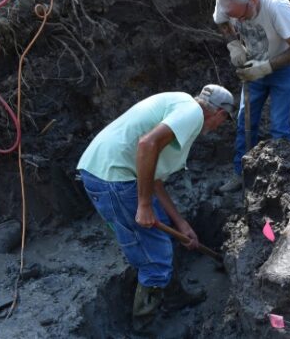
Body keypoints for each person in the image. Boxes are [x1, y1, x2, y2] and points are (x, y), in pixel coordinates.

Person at [77, 85, 235, 331]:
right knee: (155, 257)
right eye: (222, 121)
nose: (218, 126)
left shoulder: (179, 106)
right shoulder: (192, 113)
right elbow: (146, 145)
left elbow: (153, 175)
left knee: (160, 238)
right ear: (219, 114)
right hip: (114, 180)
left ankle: (174, 298)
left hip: (110, 172)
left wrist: (181, 223)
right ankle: (143, 326)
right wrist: (143, 205)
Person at [212, 0, 290, 192]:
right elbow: (222, 21)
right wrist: (234, 46)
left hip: (284, 70)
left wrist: (264, 68)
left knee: (279, 127)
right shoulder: (227, 0)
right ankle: (241, 173)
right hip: (252, 66)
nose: (239, 21)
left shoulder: (277, 7)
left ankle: (284, 179)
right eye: (234, 17)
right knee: (244, 123)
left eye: (242, 16)